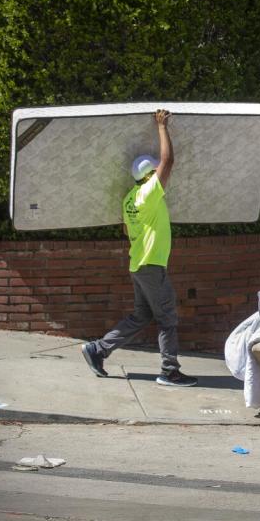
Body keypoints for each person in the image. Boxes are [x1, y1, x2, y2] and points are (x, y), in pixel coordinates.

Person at [81, 109, 197, 387]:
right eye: (154, 171)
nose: (160, 173)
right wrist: (161, 126)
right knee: (167, 318)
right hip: (151, 265)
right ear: (149, 175)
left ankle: (98, 349)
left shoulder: (129, 198)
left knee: (142, 315)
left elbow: (126, 229)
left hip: (138, 265)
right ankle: (169, 371)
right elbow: (169, 161)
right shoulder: (148, 193)